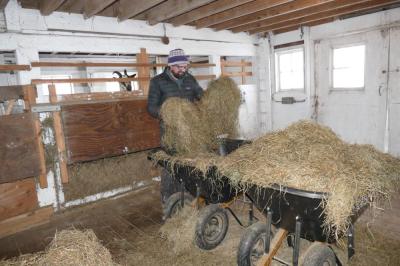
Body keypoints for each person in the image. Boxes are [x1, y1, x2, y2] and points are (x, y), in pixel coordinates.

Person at [147, 48, 203, 205]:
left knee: (189, 163)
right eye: (179, 66)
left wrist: (209, 100)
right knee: (171, 166)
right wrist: (169, 113)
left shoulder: (190, 79)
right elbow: (151, 108)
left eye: (185, 66)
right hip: (170, 132)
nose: (183, 70)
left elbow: (200, 95)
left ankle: (189, 198)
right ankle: (170, 200)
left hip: (190, 131)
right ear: (170, 65)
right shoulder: (157, 82)